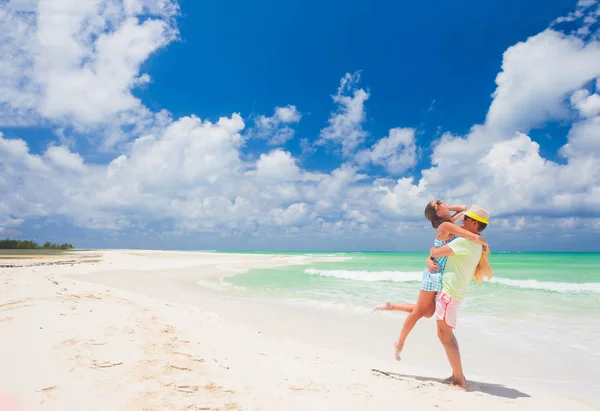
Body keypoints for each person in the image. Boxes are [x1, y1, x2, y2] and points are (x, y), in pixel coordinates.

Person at [374, 200, 488, 361]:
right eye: (439, 203)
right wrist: (482, 241)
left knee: (427, 312)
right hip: (433, 274)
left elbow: (463, 208)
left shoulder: (449, 223)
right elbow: (470, 235)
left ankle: (391, 306)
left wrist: (446, 209)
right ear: (439, 213)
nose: (444, 201)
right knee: (420, 311)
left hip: (438, 272)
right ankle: (399, 343)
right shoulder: (446, 226)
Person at [429, 205, 493, 390]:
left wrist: (433, 248)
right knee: (446, 334)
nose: (461, 221)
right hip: (452, 294)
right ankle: (457, 375)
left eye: (465, 219)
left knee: (445, 335)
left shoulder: (464, 242)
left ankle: (459, 380)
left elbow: (435, 253)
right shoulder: (471, 242)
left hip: (449, 294)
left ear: (474, 223)